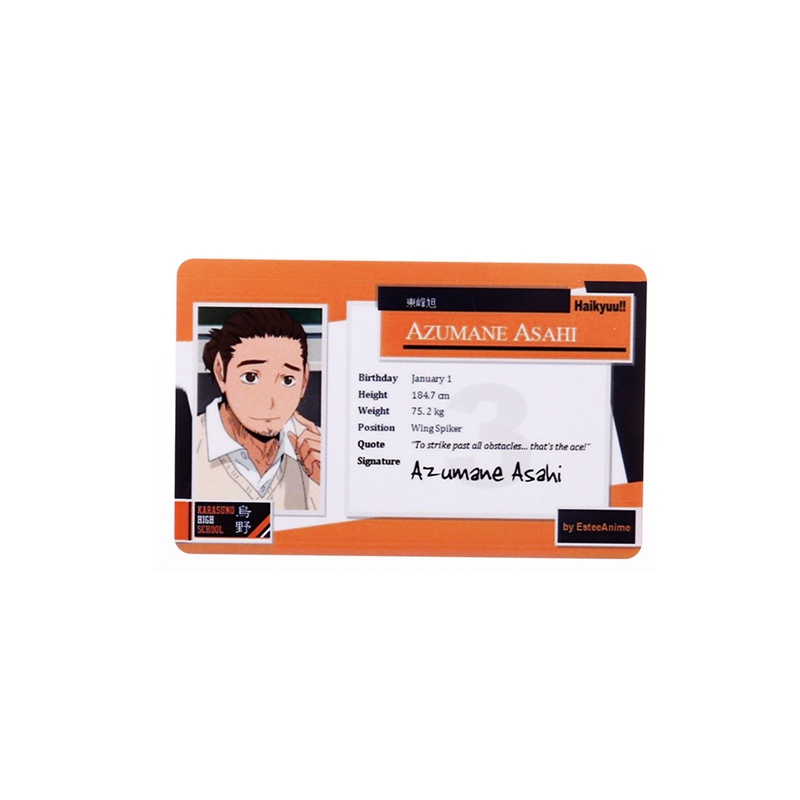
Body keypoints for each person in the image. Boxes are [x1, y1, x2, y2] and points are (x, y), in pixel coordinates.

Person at [195, 308, 322, 510]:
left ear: (304, 380)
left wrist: (327, 482)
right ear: (221, 371)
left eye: (287, 380)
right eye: (250, 377)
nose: (269, 402)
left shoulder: (319, 451)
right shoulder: (188, 443)